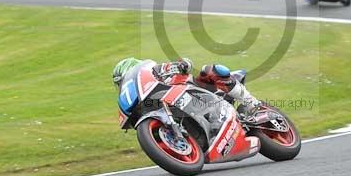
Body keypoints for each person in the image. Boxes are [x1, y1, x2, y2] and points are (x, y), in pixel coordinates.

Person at [112, 57, 261, 110]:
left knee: (211, 70)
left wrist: (181, 65)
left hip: (196, 91)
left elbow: (184, 64)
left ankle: (253, 104)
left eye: (122, 81)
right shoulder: (140, 97)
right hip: (180, 109)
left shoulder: (155, 71)